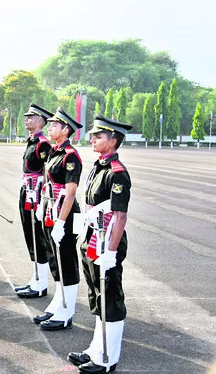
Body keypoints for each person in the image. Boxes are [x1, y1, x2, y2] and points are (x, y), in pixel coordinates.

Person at [67, 116, 133, 374]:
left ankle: (108, 358)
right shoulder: (99, 167)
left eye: (99, 136)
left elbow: (120, 215)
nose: (92, 139)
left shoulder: (117, 172)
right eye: (93, 135)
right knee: (97, 294)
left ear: (113, 140)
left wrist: (111, 253)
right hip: (92, 235)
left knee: (110, 298)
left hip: (107, 240)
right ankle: (95, 348)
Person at [34, 107, 83, 331]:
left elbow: (71, 192)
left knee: (66, 259)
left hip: (66, 212)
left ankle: (67, 310)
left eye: (54, 125)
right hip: (51, 208)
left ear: (65, 130)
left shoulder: (71, 156)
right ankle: (58, 302)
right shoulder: (54, 151)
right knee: (54, 258)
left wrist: (62, 222)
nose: (50, 127)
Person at [14, 104, 53, 298]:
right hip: (27, 190)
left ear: (40, 121)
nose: (26, 118)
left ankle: (41, 284)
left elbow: (47, 173)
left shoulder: (43, 143)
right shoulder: (31, 141)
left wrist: (42, 201)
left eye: (30, 116)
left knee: (38, 238)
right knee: (30, 235)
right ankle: (35, 278)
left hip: (36, 194)